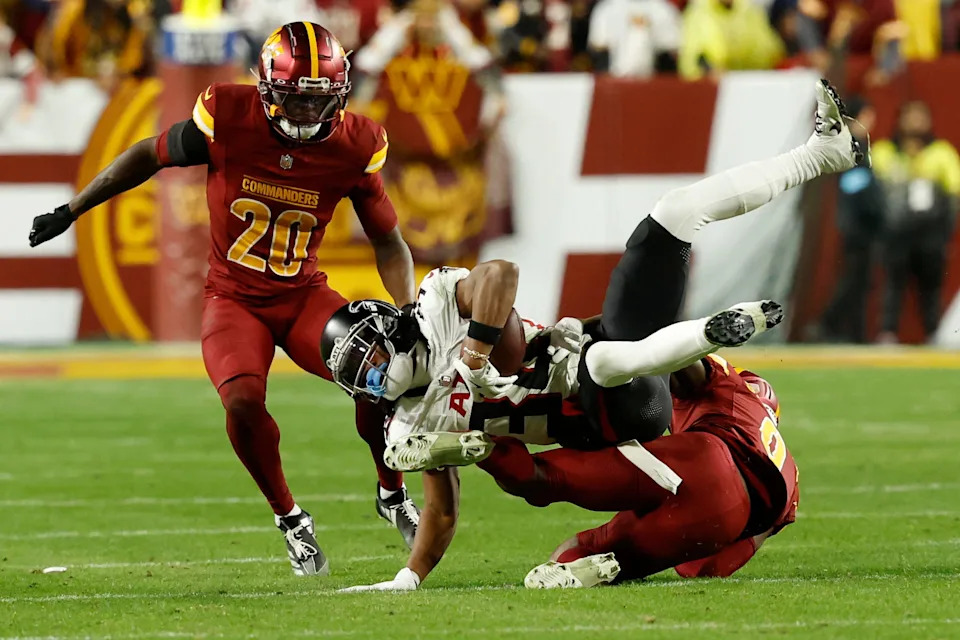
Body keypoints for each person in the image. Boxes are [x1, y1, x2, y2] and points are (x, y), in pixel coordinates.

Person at [326, 79, 863, 591]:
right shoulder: (411, 417)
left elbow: (499, 278)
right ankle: (706, 333)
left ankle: (821, 155)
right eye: (362, 376)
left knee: (674, 215)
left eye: (369, 357)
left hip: (590, 365)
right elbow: (441, 512)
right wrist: (409, 577)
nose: (375, 374)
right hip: (599, 425)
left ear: (388, 326)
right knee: (548, 445)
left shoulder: (437, 307)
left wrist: (469, 358)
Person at [27, 22, 421, 576]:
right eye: (294, 98)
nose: (307, 114)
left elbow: (389, 241)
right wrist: (73, 210)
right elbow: (148, 155)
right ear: (265, 88)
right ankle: (291, 519)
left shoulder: (357, 144)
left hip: (303, 295)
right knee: (241, 402)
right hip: (236, 299)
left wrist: (405, 313)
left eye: (319, 100)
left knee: (383, 372)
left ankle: (392, 493)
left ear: (339, 93)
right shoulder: (228, 116)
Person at [453, 354, 799, 588]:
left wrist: (641, 347)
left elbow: (681, 358)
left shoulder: (731, 386)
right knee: (593, 549)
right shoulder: (790, 475)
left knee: (544, 478)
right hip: (725, 520)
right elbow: (704, 569)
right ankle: (577, 574)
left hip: (703, 460)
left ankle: (474, 441)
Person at [873, 100, 960, 344]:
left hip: (929, 234)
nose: (915, 122)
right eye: (910, 116)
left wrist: (946, 233)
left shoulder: (942, 153)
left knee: (930, 287)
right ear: (900, 120)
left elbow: (953, 194)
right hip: (895, 233)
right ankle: (887, 332)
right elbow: (876, 189)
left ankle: (933, 334)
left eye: (920, 117)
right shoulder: (884, 151)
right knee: (892, 284)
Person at [817, 97, 884, 343]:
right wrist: (877, 208)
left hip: (861, 224)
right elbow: (852, 185)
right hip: (859, 226)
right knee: (856, 280)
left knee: (861, 281)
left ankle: (854, 332)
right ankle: (831, 324)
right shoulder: (852, 147)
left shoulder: (861, 147)